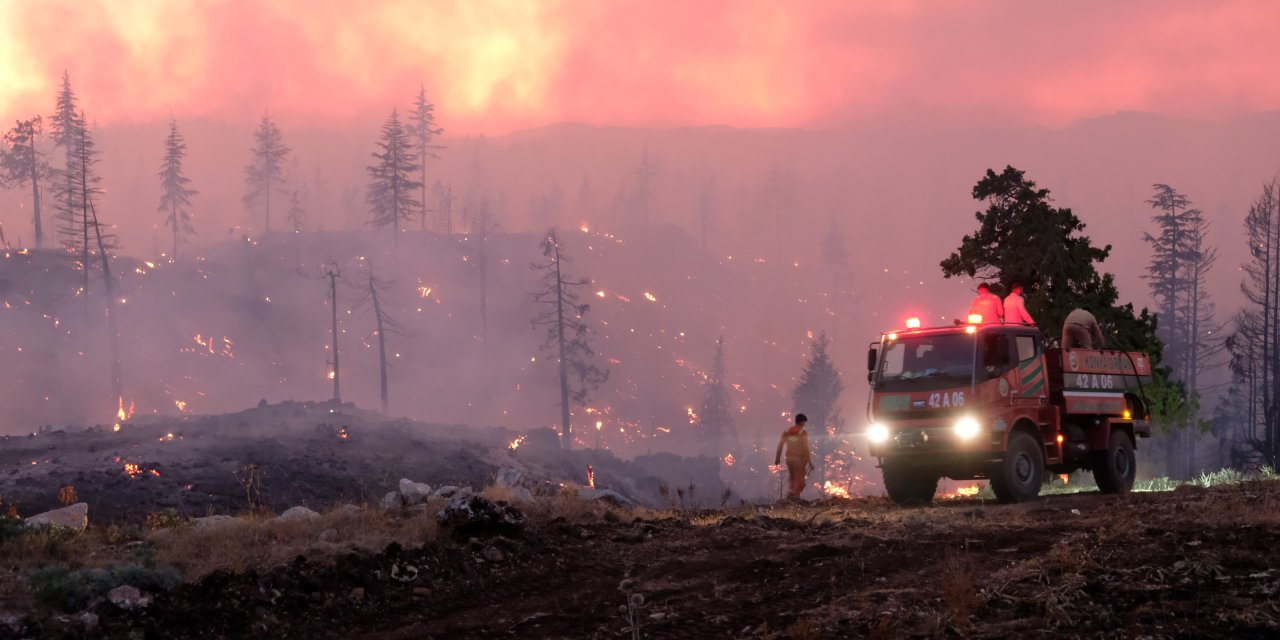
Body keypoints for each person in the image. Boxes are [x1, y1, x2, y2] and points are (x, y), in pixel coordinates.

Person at [774, 414, 814, 501]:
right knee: (800, 480)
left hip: (789, 458)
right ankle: (795, 499)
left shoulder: (787, 431)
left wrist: (777, 458)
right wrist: (809, 462)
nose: (804, 424)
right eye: (804, 422)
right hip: (799, 459)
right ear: (801, 421)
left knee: (792, 478)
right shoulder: (802, 433)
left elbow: (780, 445)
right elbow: (805, 448)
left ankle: (791, 495)